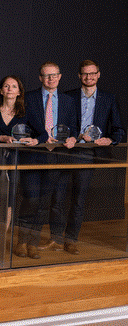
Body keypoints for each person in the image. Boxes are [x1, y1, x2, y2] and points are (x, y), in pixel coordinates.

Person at [54, 60, 124, 254]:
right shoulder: (68, 97)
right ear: (79, 75)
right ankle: (56, 238)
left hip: (87, 154)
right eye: (85, 74)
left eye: (92, 74)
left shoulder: (108, 99)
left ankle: (71, 239)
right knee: (58, 198)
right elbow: (60, 126)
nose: (89, 77)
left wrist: (110, 139)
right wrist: (72, 136)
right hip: (66, 151)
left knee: (78, 199)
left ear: (98, 74)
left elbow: (119, 129)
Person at [15, 61, 77, 259]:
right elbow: (22, 126)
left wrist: (73, 137)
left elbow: (73, 127)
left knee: (43, 202)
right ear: (40, 78)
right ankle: (21, 241)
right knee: (31, 199)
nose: (51, 79)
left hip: (55, 156)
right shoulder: (28, 98)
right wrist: (40, 138)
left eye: (54, 75)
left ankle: (32, 243)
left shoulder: (68, 101)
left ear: (60, 77)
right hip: (33, 155)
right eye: (46, 75)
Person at [0, 75, 34, 257]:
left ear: (19, 91)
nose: (9, 89)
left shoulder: (25, 112)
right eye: (6, 86)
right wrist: (1, 138)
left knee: (7, 204)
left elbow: (42, 133)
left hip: (14, 162)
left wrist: (35, 139)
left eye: (13, 86)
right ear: (1, 90)